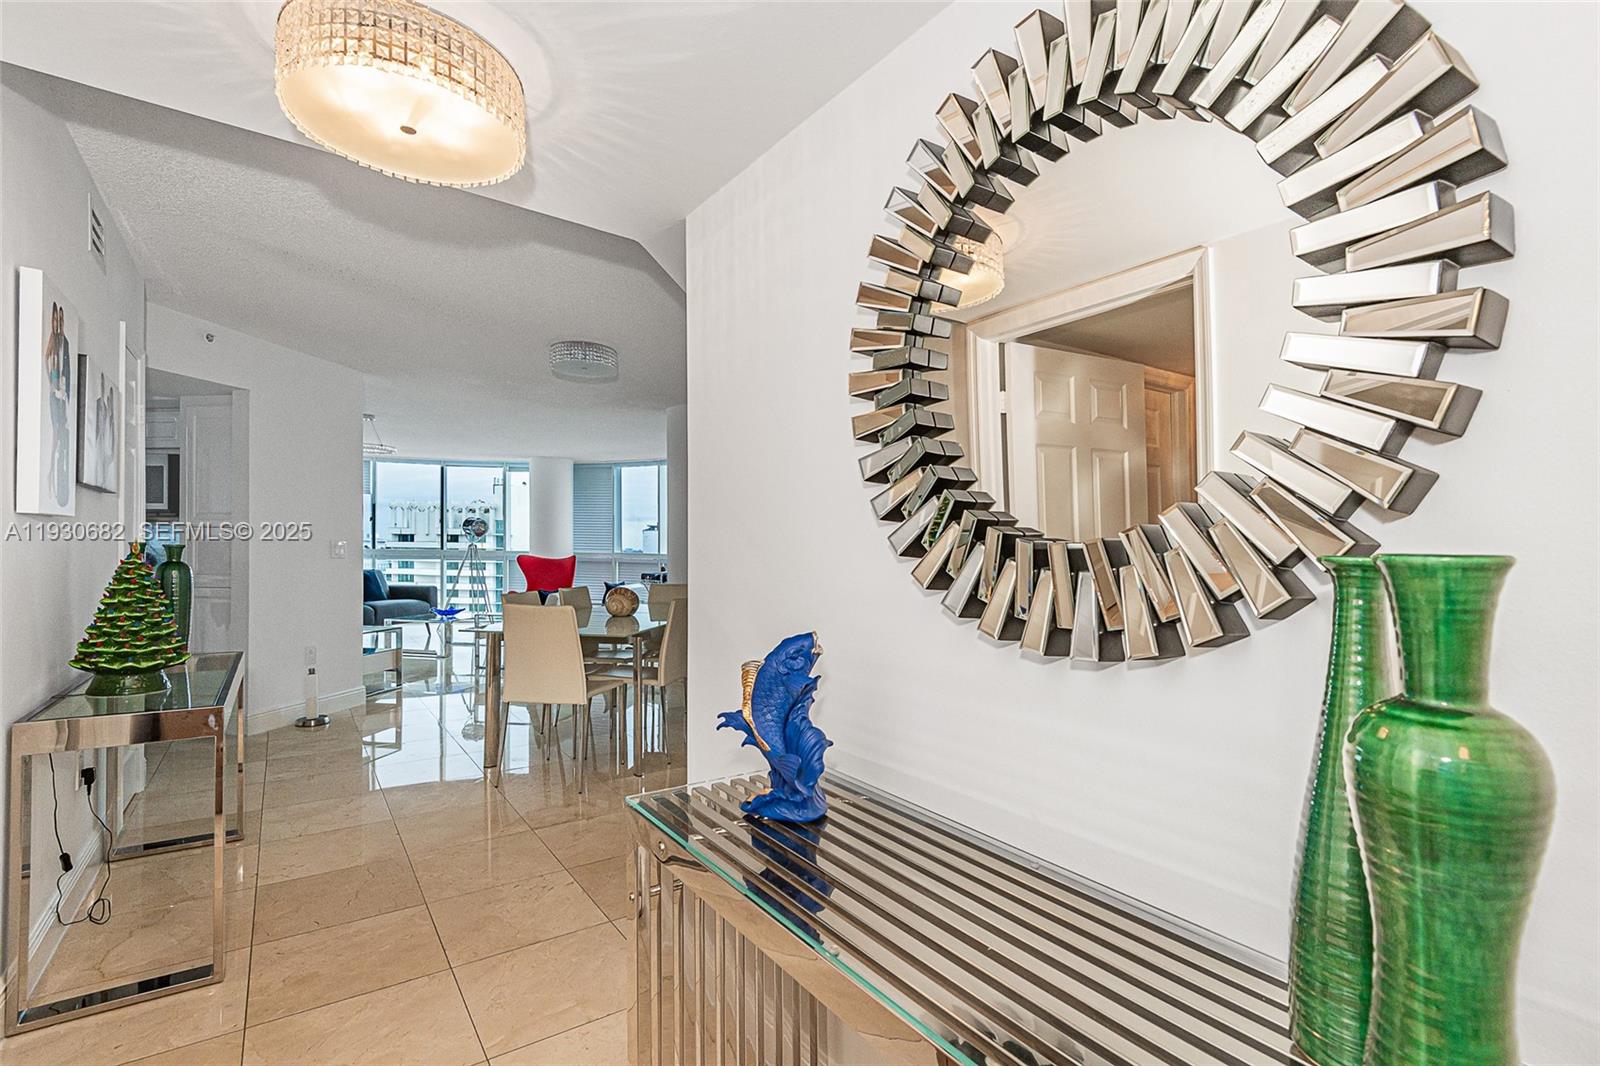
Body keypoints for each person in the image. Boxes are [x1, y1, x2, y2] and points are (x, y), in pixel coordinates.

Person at [45, 302, 71, 506]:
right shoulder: (52, 344)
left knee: (60, 432)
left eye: (60, 320)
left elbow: (67, 370)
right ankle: (50, 472)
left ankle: (53, 472)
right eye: (55, 319)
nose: (57, 323)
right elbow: (47, 366)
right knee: (55, 431)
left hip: (61, 396)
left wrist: (64, 390)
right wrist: (53, 387)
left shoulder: (64, 343)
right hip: (54, 395)